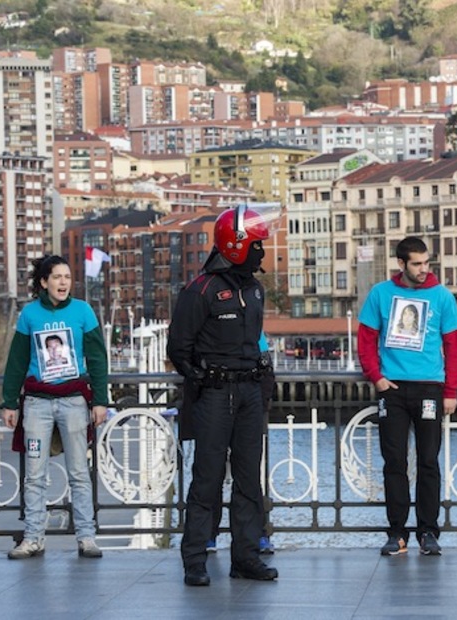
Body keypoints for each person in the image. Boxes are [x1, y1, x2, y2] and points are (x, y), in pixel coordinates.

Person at [168, 204, 278, 586]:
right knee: (207, 480)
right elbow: (178, 348)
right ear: (236, 245)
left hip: (249, 392)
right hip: (215, 394)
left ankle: (246, 558)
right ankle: (195, 561)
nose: (262, 252)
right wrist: (202, 378)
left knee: (249, 480)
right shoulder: (201, 290)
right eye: (257, 245)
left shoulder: (255, 289)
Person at [357, 236, 457, 556]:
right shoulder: (380, 294)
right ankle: (397, 533)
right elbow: (366, 339)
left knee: (428, 461)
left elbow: (455, 346)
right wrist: (376, 377)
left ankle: (428, 532)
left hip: (430, 388)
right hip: (393, 390)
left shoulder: (442, 296)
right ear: (401, 264)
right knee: (395, 462)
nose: (423, 269)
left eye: (426, 263)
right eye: (416, 264)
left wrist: (451, 390)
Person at [0, 255, 108, 560]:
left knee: (79, 473)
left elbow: (97, 358)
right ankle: (33, 537)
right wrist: (10, 402)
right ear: (44, 282)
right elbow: (17, 360)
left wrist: (100, 400)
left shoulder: (83, 311)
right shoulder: (29, 314)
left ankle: (86, 537)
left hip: (74, 402)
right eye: (57, 277)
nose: (63, 282)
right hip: (37, 404)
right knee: (34, 475)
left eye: (67, 277)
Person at [205, 333, 276, 555]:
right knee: (212, 472)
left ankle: (254, 534)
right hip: (216, 399)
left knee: (247, 474)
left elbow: (266, 369)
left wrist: (260, 405)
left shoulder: (253, 328)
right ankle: (209, 534)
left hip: (246, 404)